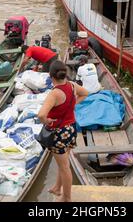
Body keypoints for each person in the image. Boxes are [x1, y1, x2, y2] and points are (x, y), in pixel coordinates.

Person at [38, 60, 88, 202]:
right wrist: (73, 105)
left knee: (64, 167)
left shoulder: (54, 94)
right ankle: (57, 187)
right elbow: (85, 93)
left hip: (58, 133)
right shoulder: (72, 86)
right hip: (71, 129)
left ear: (51, 76)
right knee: (63, 162)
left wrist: (46, 121)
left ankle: (66, 198)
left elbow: (41, 114)